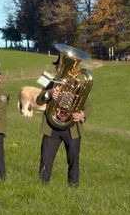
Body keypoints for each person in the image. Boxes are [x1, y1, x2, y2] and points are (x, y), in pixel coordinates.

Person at [37, 57, 91, 187]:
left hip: (71, 127)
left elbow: (88, 105)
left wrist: (82, 115)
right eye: (58, 67)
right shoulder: (50, 84)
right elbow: (39, 100)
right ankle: (42, 186)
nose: (60, 70)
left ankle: (73, 186)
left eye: (61, 67)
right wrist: (49, 94)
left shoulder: (76, 85)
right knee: (46, 158)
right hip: (52, 127)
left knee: (73, 159)